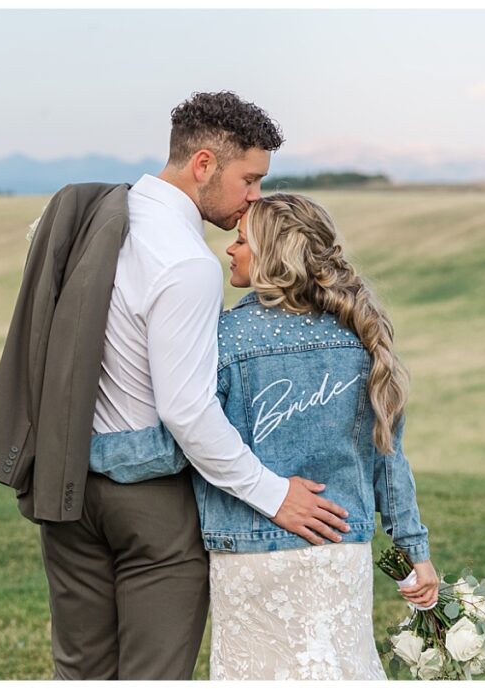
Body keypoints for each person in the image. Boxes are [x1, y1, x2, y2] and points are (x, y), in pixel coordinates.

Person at [0, 92, 351, 680]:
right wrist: (273, 493)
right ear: (204, 164)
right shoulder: (187, 263)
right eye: (249, 179)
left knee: (80, 672)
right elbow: (187, 411)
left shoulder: (89, 218)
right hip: (151, 505)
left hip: (68, 485)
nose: (254, 197)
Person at [91, 193, 439, 680]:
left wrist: (90, 451)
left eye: (240, 240)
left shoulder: (223, 337)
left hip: (249, 557)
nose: (229, 251)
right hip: (339, 556)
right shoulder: (360, 337)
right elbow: (389, 462)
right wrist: (415, 555)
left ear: (273, 255)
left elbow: (181, 443)